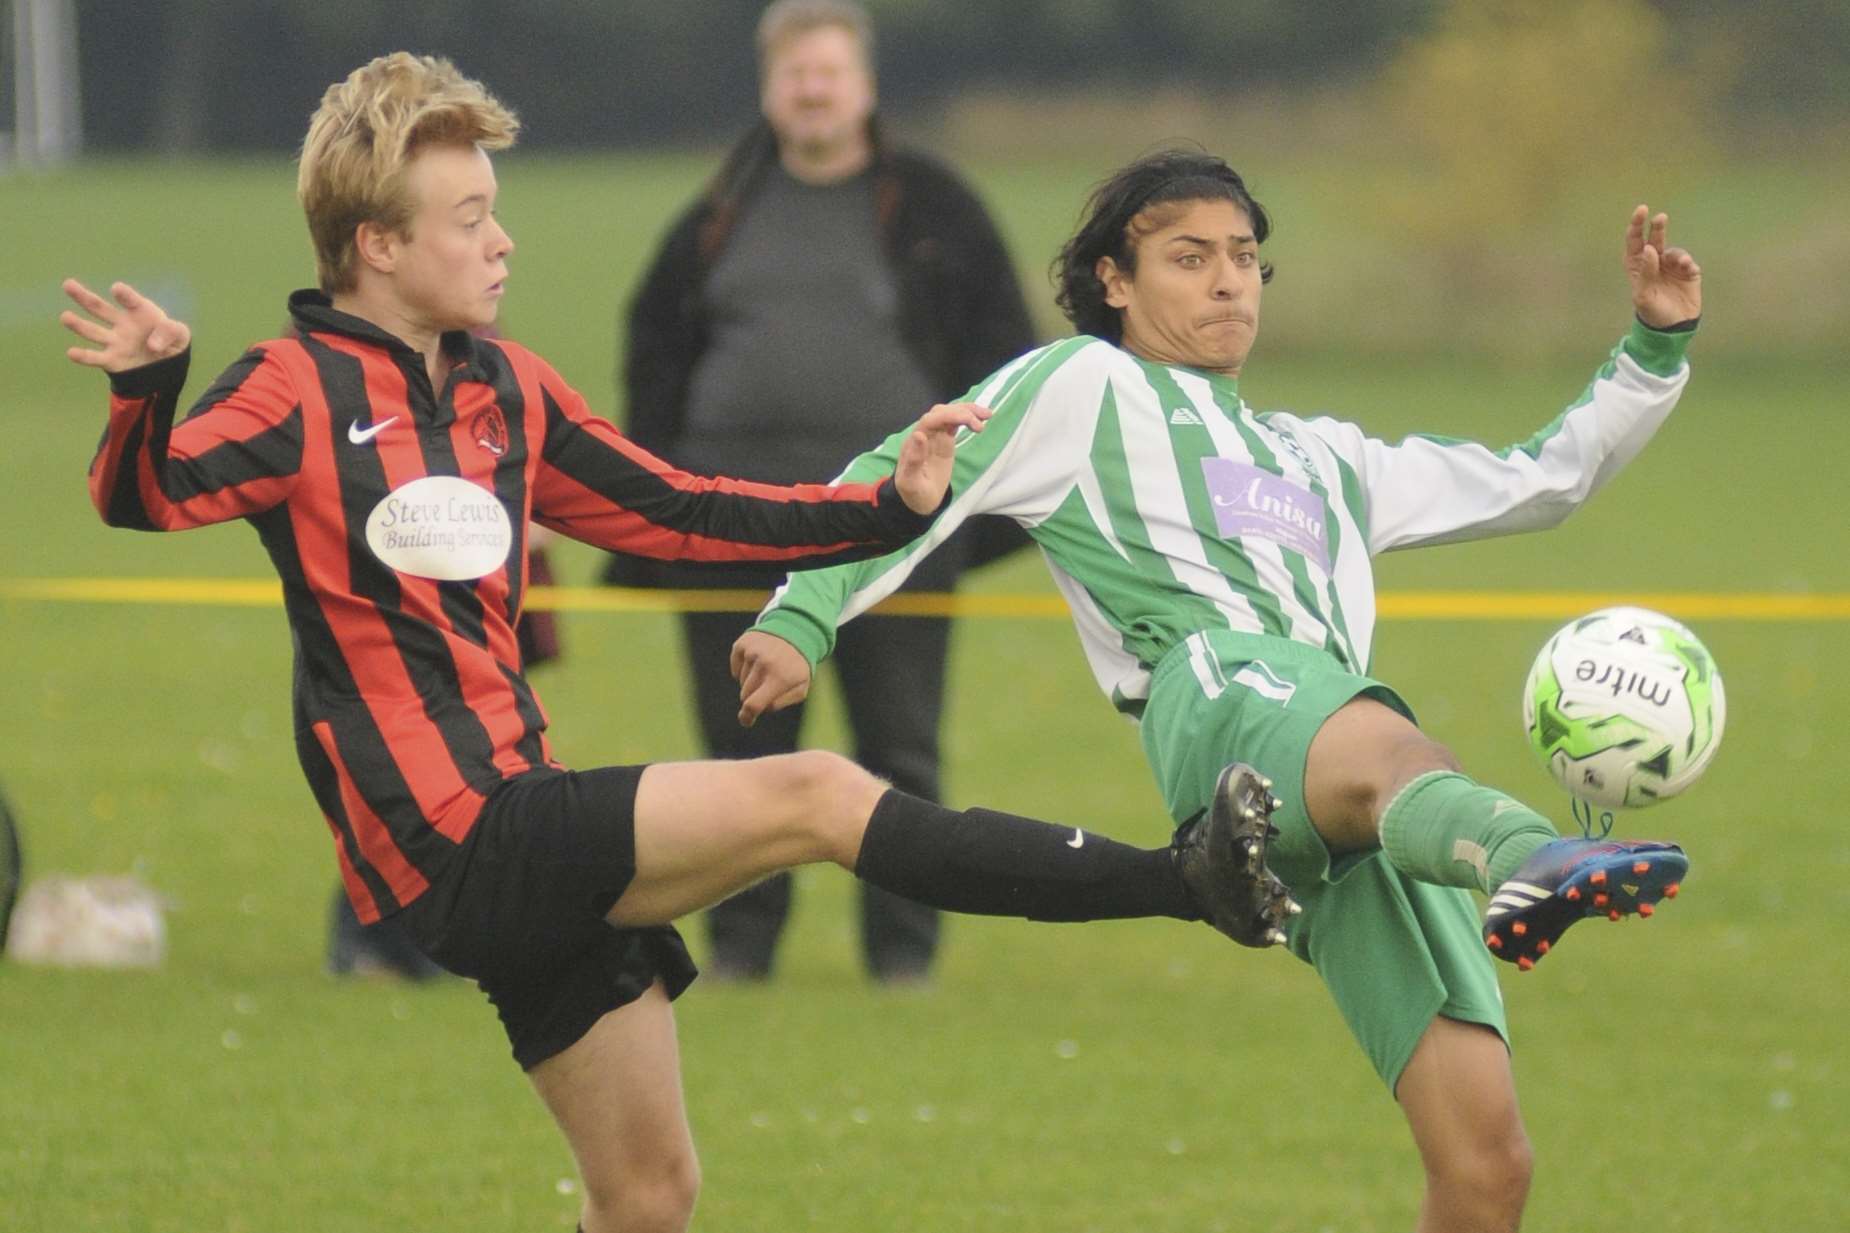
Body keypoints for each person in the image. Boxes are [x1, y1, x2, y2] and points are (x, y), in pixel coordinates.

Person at [61, 58, 1288, 1233]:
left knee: (649, 1198)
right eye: (470, 218)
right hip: (453, 835)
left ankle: (1183, 883)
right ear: (377, 245)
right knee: (813, 792)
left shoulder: (508, 387)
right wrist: (144, 392)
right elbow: (148, 494)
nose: (503, 241)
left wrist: (890, 508)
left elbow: (683, 511)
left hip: (519, 808)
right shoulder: (292, 387)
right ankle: (1179, 881)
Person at [733, 149, 1701, 1231]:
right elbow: (906, 467)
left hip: (1346, 781)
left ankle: (1508, 860)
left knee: (1485, 1166)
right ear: (1113, 280)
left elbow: (1541, 478)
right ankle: (1532, 857)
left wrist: (1653, 345)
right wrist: (800, 615)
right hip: (1220, 699)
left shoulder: (1322, 458)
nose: (1227, 280)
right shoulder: (1080, 385)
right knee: (1388, 741)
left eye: (1243, 258)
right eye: (1187, 258)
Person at [606, 0, 1037, 984]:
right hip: (728, 529)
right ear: (768, 88)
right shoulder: (717, 214)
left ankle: (902, 957)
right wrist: (655, 506)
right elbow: (653, 357)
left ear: (865, 87)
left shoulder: (936, 208)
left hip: (897, 531)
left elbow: (1006, 365)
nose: (810, 90)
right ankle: (740, 953)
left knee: (899, 753)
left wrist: (965, 508)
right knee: (735, 763)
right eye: (794, 73)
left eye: (828, 73)